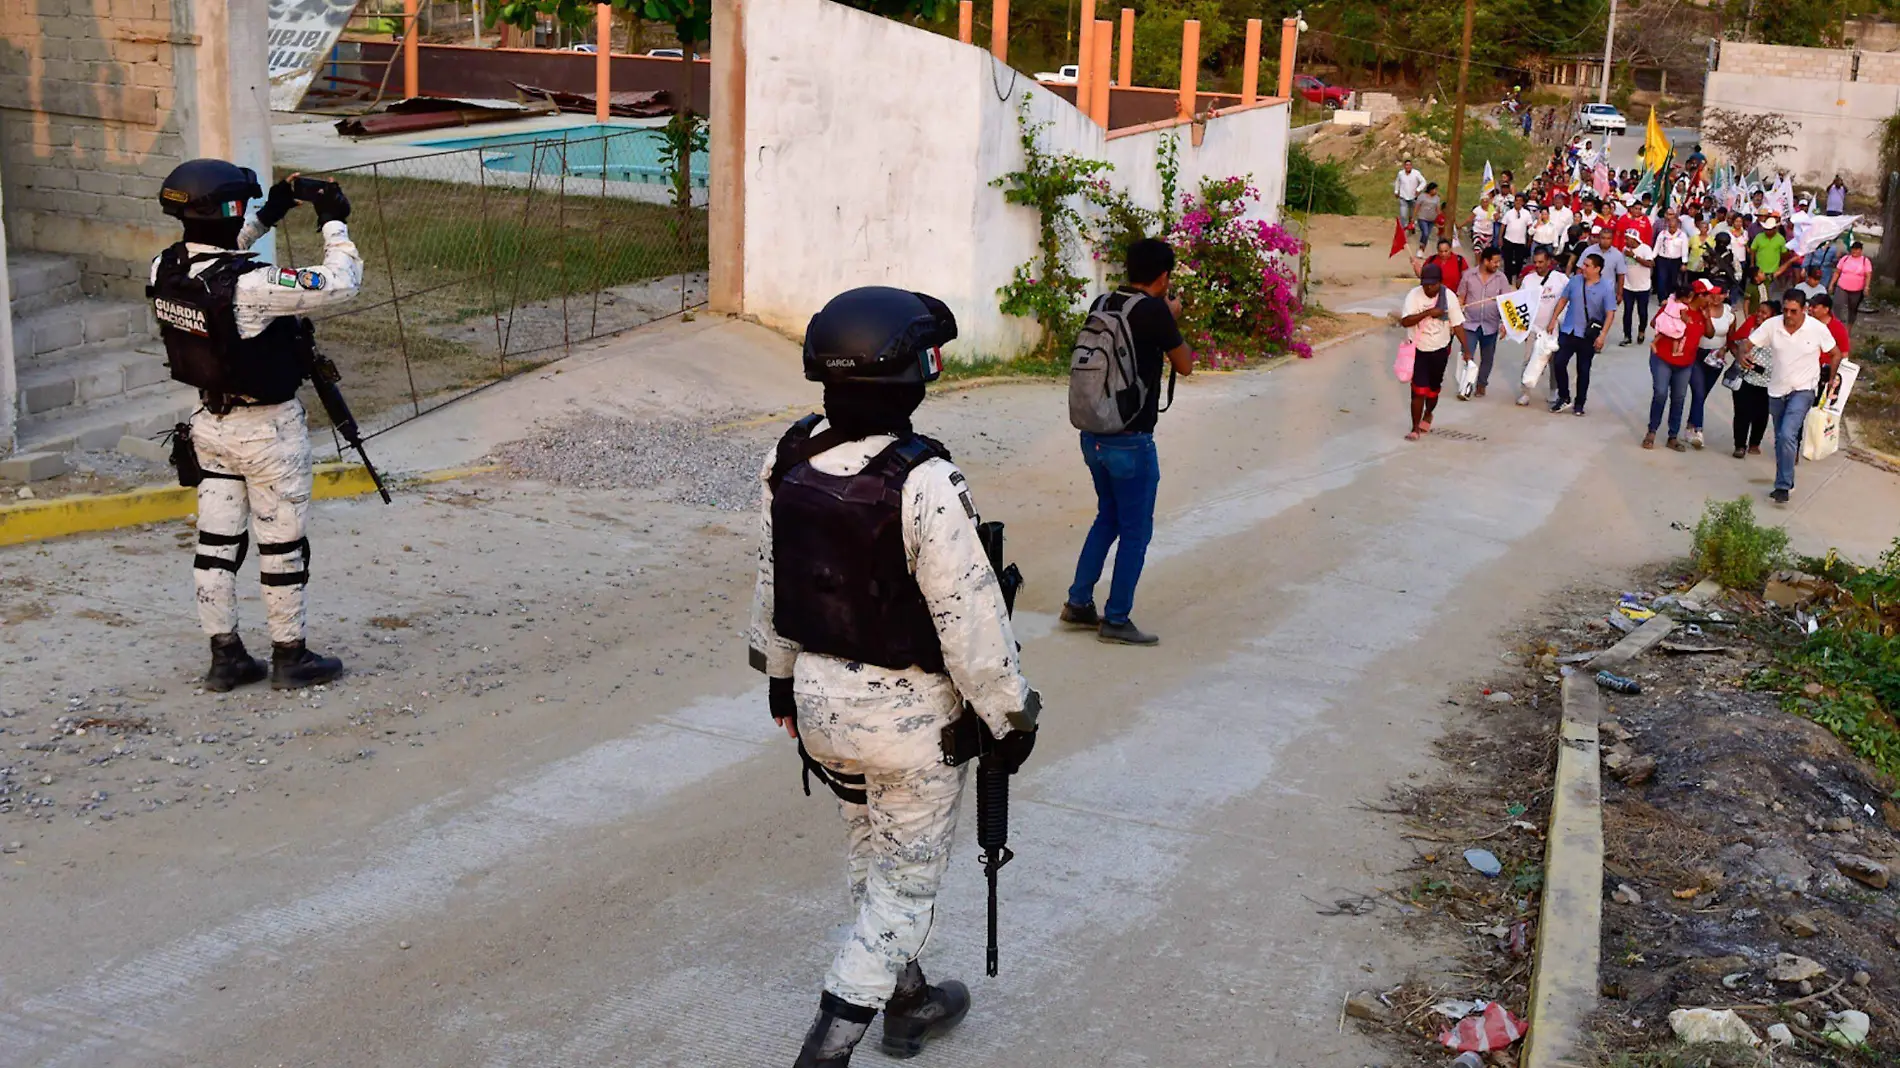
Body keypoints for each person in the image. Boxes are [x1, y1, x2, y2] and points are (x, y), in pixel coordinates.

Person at [748, 286, 1042, 1068]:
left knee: (871, 853)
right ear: (914, 375)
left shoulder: (789, 455)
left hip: (819, 710)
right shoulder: (926, 480)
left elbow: (776, 580)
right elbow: (972, 621)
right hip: (911, 727)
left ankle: (906, 999)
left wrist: (780, 682)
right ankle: (828, 1047)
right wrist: (1012, 721)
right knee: (907, 885)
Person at [149, 159, 362, 692]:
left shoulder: (165, 268)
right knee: (281, 545)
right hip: (268, 433)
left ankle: (227, 658)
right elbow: (340, 283)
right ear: (229, 208)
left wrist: (269, 214)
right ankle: (290, 656)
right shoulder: (256, 285)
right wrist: (332, 220)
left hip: (209, 426)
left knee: (216, 545)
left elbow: (218, 247)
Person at [1062, 239, 1194, 646]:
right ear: (1164, 276)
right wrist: (1173, 318)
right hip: (1131, 440)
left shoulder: (1103, 303)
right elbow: (1185, 365)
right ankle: (1116, 618)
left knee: (1109, 517)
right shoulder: (1154, 310)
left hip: (1094, 433)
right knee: (1135, 530)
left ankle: (1078, 602)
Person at [1746, 291, 1839, 503]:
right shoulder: (1772, 325)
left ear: (1804, 309)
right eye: (1786, 310)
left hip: (1804, 389)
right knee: (1781, 438)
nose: (1789, 315)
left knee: (1788, 434)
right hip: (1777, 390)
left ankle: (1783, 486)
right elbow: (1748, 343)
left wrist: (1831, 381)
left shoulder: (1817, 329)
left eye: (1794, 311)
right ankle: (1785, 479)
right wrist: (1744, 354)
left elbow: (1836, 353)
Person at [1397, 262, 1469, 440]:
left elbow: (1457, 324)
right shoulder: (1413, 296)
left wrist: (1466, 349)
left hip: (1440, 349)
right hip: (1419, 349)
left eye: (1433, 284)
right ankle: (1414, 428)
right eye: (1425, 284)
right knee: (1418, 390)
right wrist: (1428, 312)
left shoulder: (1449, 297)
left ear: (1440, 282)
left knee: (1433, 389)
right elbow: (1405, 321)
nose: (1429, 288)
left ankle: (1428, 413)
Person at [1547, 251, 1616, 416]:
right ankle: (1564, 396)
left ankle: (1580, 403)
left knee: (1583, 369)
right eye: (1583, 264)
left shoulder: (1606, 287)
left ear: (1597, 269)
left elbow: (1610, 313)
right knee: (1559, 363)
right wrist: (1553, 319)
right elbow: (1563, 300)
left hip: (1587, 335)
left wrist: (1603, 335)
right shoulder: (1575, 281)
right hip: (1569, 330)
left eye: (1587, 265)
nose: (1583, 268)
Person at [1642, 283, 1707, 452]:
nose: (1710, 299)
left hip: (1685, 363)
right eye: (1706, 295)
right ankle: (1652, 431)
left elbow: (1710, 333)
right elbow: (1654, 323)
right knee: (1661, 393)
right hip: (1663, 358)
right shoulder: (1673, 307)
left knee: (1679, 398)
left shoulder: (1702, 314)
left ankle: (1673, 436)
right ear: (1696, 296)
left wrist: (1706, 317)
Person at [1457, 246, 1511, 398]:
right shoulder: (1468, 275)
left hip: (1491, 325)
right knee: (1467, 355)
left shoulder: (1501, 278)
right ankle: (1466, 386)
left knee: (1487, 358)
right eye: (1495, 262)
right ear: (1485, 261)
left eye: (1498, 262)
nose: (1497, 265)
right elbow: (1461, 297)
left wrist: (1505, 324)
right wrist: (1457, 314)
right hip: (1470, 324)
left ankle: (1481, 384)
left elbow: (1507, 302)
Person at [1518, 248, 1569, 407]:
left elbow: (1568, 298)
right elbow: (1521, 303)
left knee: (1554, 362)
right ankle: (1525, 392)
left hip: (1553, 329)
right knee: (1528, 360)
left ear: (1549, 262)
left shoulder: (1561, 279)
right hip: (1534, 328)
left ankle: (1553, 391)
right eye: (1536, 262)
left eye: (1541, 262)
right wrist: (1522, 328)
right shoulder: (1528, 280)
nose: (1538, 265)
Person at [1690, 277, 1735, 450]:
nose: (1715, 298)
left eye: (1720, 294)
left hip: (1716, 357)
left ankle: (1690, 425)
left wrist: (1725, 349)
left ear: (1725, 295)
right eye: (1713, 294)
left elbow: (1731, 338)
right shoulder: (1701, 307)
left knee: (1702, 394)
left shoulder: (1729, 313)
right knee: (1699, 392)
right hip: (1697, 354)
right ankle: (1698, 431)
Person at [1622, 236, 1655, 347]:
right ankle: (1627, 336)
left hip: (1643, 287)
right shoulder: (1624, 249)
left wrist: (1634, 256)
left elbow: (1650, 264)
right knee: (1627, 312)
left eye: (1628, 239)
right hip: (1628, 286)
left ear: (1635, 239)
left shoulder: (1645, 249)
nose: (1626, 241)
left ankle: (1641, 332)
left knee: (1642, 312)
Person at [1832, 240, 1872, 324]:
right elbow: (1837, 272)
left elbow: (1868, 275)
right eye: (1853, 249)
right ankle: (1836, 323)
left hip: (1857, 289)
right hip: (1842, 286)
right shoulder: (1845, 258)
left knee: (1853, 309)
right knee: (1837, 305)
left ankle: (1848, 329)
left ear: (1860, 250)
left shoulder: (1865, 261)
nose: (1854, 251)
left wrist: (1867, 287)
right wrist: (1832, 284)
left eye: (1857, 249)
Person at [1653, 211, 1689, 299]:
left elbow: (1684, 249)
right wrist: (1652, 257)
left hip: (1675, 261)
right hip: (1662, 260)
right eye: (1670, 227)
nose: (1672, 229)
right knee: (1662, 279)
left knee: (1673, 280)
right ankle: (1661, 298)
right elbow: (1657, 246)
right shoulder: (1663, 234)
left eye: (1673, 227)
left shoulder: (1682, 235)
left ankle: (1670, 297)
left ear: (1677, 226)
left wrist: (1684, 263)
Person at [1499, 194, 1534, 279]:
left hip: (1520, 241)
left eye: (1520, 201)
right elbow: (1503, 225)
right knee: (1508, 260)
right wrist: (1500, 238)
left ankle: (1519, 277)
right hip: (1508, 239)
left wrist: (1530, 240)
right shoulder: (1509, 213)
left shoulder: (1526, 213)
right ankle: (1508, 279)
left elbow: (1530, 227)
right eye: (1516, 200)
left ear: (1522, 202)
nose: (1518, 202)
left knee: (1519, 261)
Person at [1395, 159, 1425, 229]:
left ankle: (1411, 226)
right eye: (1406, 165)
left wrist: (1418, 189)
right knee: (1403, 215)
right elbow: (1397, 182)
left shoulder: (1416, 173)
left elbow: (1423, 182)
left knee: (1412, 215)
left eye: (1409, 165)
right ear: (1404, 166)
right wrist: (1396, 191)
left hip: (1413, 198)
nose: (1408, 167)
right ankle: (1403, 228)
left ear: (1411, 166)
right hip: (1403, 197)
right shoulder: (1400, 173)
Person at [1415, 182, 1443, 251]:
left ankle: (1422, 249)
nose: (1436, 191)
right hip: (1422, 218)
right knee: (1425, 233)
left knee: (1426, 235)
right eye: (1435, 189)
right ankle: (1421, 248)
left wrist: (1440, 218)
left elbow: (1438, 209)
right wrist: (1414, 217)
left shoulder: (1437, 198)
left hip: (1432, 220)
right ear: (1430, 189)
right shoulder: (1422, 196)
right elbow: (1417, 207)